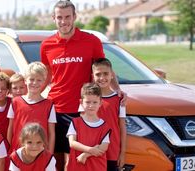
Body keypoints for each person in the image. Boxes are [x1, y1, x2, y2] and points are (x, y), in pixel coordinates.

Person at [40, 1, 123, 168]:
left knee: (75, 161)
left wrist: (118, 90)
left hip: (82, 110)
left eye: (67, 17)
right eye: (59, 17)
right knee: (54, 160)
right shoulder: (46, 45)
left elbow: (105, 68)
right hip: (55, 109)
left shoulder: (91, 41)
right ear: (53, 19)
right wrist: (31, 95)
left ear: (75, 17)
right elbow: (48, 76)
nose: (64, 21)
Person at [7, 62, 56, 154]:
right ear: (25, 80)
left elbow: (51, 133)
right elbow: (10, 129)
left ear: (44, 81)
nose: (35, 83)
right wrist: (11, 149)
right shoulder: (15, 102)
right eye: (32, 79)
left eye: (39, 80)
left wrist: (50, 154)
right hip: (18, 152)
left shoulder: (49, 104)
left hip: (40, 152)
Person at [92, 58, 127, 171]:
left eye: (106, 74)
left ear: (112, 75)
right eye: (98, 74)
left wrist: (122, 153)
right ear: (93, 76)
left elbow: (122, 127)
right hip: (92, 150)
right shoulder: (88, 100)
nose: (102, 78)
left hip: (112, 151)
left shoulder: (119, 99)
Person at [67, 83, 111, 171]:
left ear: (100, 103)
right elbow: (72, 143)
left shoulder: (105, 126)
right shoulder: (75, 122)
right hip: (77, 167)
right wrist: (89, 149)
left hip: (97, 167)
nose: (91, 105)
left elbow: (103, 147)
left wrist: (85, 155)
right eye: (88, 102)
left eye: (95, 102)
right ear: (81, 102)